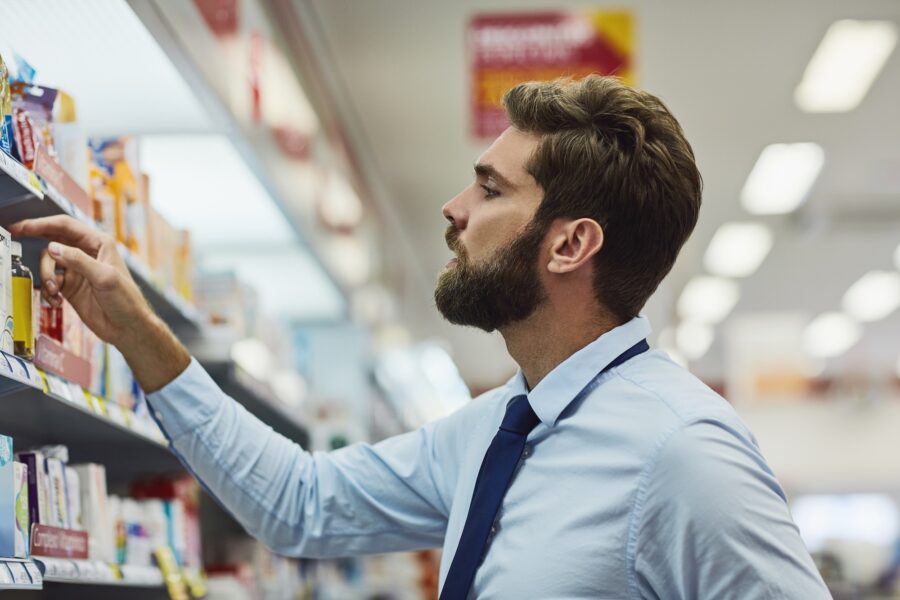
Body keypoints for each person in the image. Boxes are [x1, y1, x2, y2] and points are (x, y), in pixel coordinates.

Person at [11, 76, 831, 599]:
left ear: (569, 245)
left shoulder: (683, 452)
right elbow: (302, 504)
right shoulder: (497, 429)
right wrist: (136, 332)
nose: (454, 208)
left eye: (488, 188)